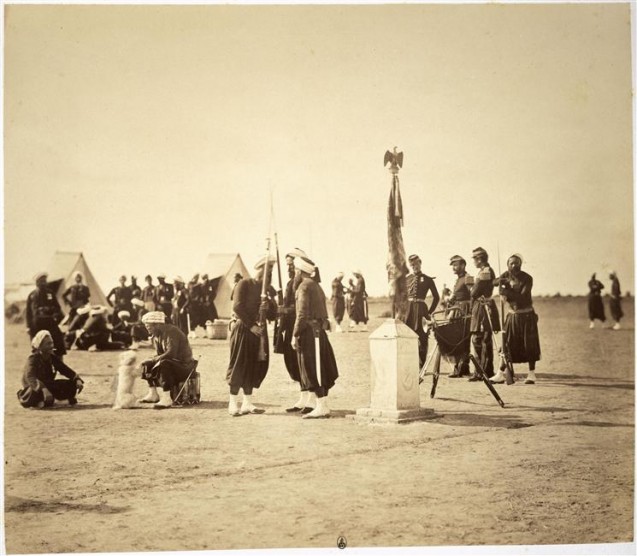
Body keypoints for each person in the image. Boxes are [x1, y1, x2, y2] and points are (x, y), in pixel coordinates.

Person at [225, 256, 277, 416]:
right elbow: (238, 307)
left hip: (259, 332)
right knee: (239, 363)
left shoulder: (267, 290)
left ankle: (247, 403)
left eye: (271, 272)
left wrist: (269, 306)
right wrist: (251, 325)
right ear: (259, 270)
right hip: (243, 328)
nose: (268, 275)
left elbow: (273, 316)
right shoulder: (244, 284)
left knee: (254, 366)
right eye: (267, 271)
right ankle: (233, 403)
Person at [292, 257, 339, 419]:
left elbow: (302, 314)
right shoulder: (317, 286)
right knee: (321, 367)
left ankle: (321, 406)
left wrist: (295, 334)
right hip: (319, 332)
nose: (294, 273)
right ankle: (322, 405)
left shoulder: (304, 286)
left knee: (313, 368)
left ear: (299, 271)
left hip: (309, 334)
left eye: (295, 271)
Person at [491, 254, 540, 385]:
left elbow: (523, 297)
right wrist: (502, 283)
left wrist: (506, 292)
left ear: (520, 264)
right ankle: (500, 373)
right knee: (506, 342)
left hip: (527, 315)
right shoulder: (506, 275)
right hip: (512, 315)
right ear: (508, 265)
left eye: (516, 263)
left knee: (529, 344)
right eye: (511, 263)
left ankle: (531, 374)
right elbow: (494, 281)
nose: (514, 266)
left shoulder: (527, 278)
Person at [138, 311, 197, 409]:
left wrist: (154, 360)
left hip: (185, 366)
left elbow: (171, 353)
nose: (148, 330)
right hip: (174, 363)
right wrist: (150, 360)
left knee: (163, 363)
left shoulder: (171, 332)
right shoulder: (157, 335)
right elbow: (160, 354)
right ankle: (153, 394)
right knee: (147, 363)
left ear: (157, 325)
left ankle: (166, 398)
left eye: (149, 327)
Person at [276, 248, 310, 413]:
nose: (289, 268)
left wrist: (284, 310)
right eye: (287, 265)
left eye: (291, 265)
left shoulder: (302, 283)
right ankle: (303, 398)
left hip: (300, 326)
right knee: (293, 363)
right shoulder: (291, 282)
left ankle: (310, 400)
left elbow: (300, 309)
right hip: (289, 327)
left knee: (303, 363)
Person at [18, 330, 84, 408]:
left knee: (72, 384)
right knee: (32, 393)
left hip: (48, 385)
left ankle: (46, 402)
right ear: (40, 346)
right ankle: (53, 402)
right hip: (34, 388)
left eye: (52, 343)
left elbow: (64, 369)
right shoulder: (32, 359)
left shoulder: (52, 357)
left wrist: (77, 379)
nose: (51, 346)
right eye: (48, 344)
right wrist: (43, 388)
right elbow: (30, 377)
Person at [468, 247, 500, 381]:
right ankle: (480, 371)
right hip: (480, 307)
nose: (473, 262)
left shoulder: (485, 272)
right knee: (478, 339)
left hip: (483, 307)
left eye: (474, 259)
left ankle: (485, 371)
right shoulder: (483, 271)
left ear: (479, 259)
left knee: (483, 340)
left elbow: (474, 292)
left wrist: (471, 288)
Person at [405, 254, 440, 369]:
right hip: (409, 312)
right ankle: (410, 364)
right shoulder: (407, 279)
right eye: (412, 264)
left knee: (423, 338)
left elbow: (436, 297)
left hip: (421, 310)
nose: (415, 266)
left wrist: (429, 312)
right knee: (408, 338)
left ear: (420, 263)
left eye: (416, 263)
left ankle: (421, 366)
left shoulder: (428, 279)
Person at [26, 272, 67, 358]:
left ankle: (59, 364)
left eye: (44, 281)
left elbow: (57, 308)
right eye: (41, 281)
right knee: (37, 345)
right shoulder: (32, 295)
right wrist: (28, 326)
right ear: (37, 283)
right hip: (37, 324)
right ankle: (39, 366)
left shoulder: (50, 294)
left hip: (50, 322)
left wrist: (54, 315)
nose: (43, 283)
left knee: (58, 341)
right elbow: (28, 313)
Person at [447, 255, 473, 378]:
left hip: (464, 311)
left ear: (463, 265)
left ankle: (462, 368)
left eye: (455, 264)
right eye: (452, 265)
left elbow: (473, 294)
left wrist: (469, 311)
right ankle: (459, 368)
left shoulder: (468, 278)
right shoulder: (458, 279)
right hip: (456, 311)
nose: (453, 267)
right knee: (456, 339)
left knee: (463, 339)